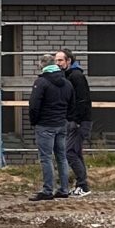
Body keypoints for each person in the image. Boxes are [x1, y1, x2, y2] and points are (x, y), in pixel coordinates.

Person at [27, 53, 76, 201]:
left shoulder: (41, 82)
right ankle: (64, 189)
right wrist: (65, 118)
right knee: (61, 157)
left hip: (45, 124)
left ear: (42, 65)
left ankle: (48, 189)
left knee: (46, 158)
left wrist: (34, 121)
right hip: (61, 124)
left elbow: (34, 105)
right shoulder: (67, 83)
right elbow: (72, 104)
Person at [61, 50, 93, 196]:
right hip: (77, 120)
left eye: (60, 60)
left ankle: (83, 185)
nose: (58, 63)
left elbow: (82, 99)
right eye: (56, 60)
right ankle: (82, 184)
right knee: (76, 152)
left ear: (68, 61)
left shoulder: (76, 76)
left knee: (70, 152)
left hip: (79, 121)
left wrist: (77, 120)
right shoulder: (71, 75)